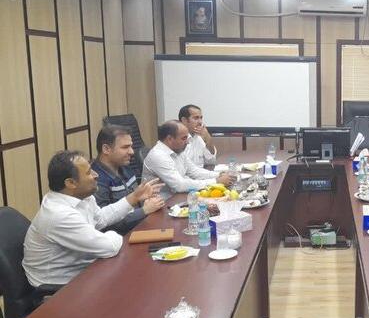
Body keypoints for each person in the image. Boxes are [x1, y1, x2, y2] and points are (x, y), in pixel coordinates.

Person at [23, 151, 163, 287]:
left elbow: (101, 219)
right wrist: (111, 235)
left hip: (83, 269)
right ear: (71, 183)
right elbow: (109, 247)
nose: (96, 175)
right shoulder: (59, 215)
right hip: (57, 286)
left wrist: (134, 197)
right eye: (89, 172)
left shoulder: (81, 196)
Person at [91, 125, 165, 235]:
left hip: (139, 228)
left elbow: (135, 203)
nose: (131, 152)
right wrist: (144, 210)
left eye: (131, 146)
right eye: (125, 147)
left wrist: (147, 200)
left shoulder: (125, 167)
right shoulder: (95, 180)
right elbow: (104, 223)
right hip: (119, 238)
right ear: (106, 149)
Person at [143, 120, 235, 199]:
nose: (187, 142)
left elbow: (194, 171)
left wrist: (218, 175)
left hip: (176, 198)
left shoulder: (177, 150)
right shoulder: (158, 156)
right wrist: (216, 181)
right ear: (169, 139)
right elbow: (179, 185)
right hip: (159, 205)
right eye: (184, 138)